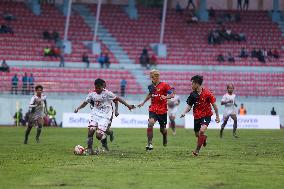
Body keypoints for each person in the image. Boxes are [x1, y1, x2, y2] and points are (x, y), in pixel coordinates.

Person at [74, 78, 135, 155]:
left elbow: (118, 99)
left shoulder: (107, 93)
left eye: (99, 88)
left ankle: (108, 135)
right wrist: (78, 108)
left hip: (105, 115)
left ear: (102, 87)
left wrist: (128, 106)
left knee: (99, 136)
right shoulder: (92, 94)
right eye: (96, 88)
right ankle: (90, 150)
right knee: (91, 131)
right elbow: (85, 103)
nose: (97, 89)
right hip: (95, 114)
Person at [180, 75, 220, 156]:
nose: (191, 85)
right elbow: (189, 106)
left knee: (201, 131)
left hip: (206, 115)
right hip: (197, 116)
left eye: (192, 84)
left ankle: (197, 151)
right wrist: (184, 112)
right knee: (197, 134)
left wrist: (217, 116)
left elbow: (214, 105)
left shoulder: (208, 93)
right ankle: (203, 138)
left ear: (197, 84)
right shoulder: (192, 94)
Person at [138, 70, 175, 151]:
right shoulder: (150, 86)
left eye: (152, 77)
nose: (151, 79)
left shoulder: (164, 85)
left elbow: (172, 94)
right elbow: (150, 94)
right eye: (151, 77)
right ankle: (149, 144)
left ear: (157, 77)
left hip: (162, 111)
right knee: (150, 123)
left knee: (163, 130)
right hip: (153, 109)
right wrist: (143, 102)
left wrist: (166, 97)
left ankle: (165, 136)